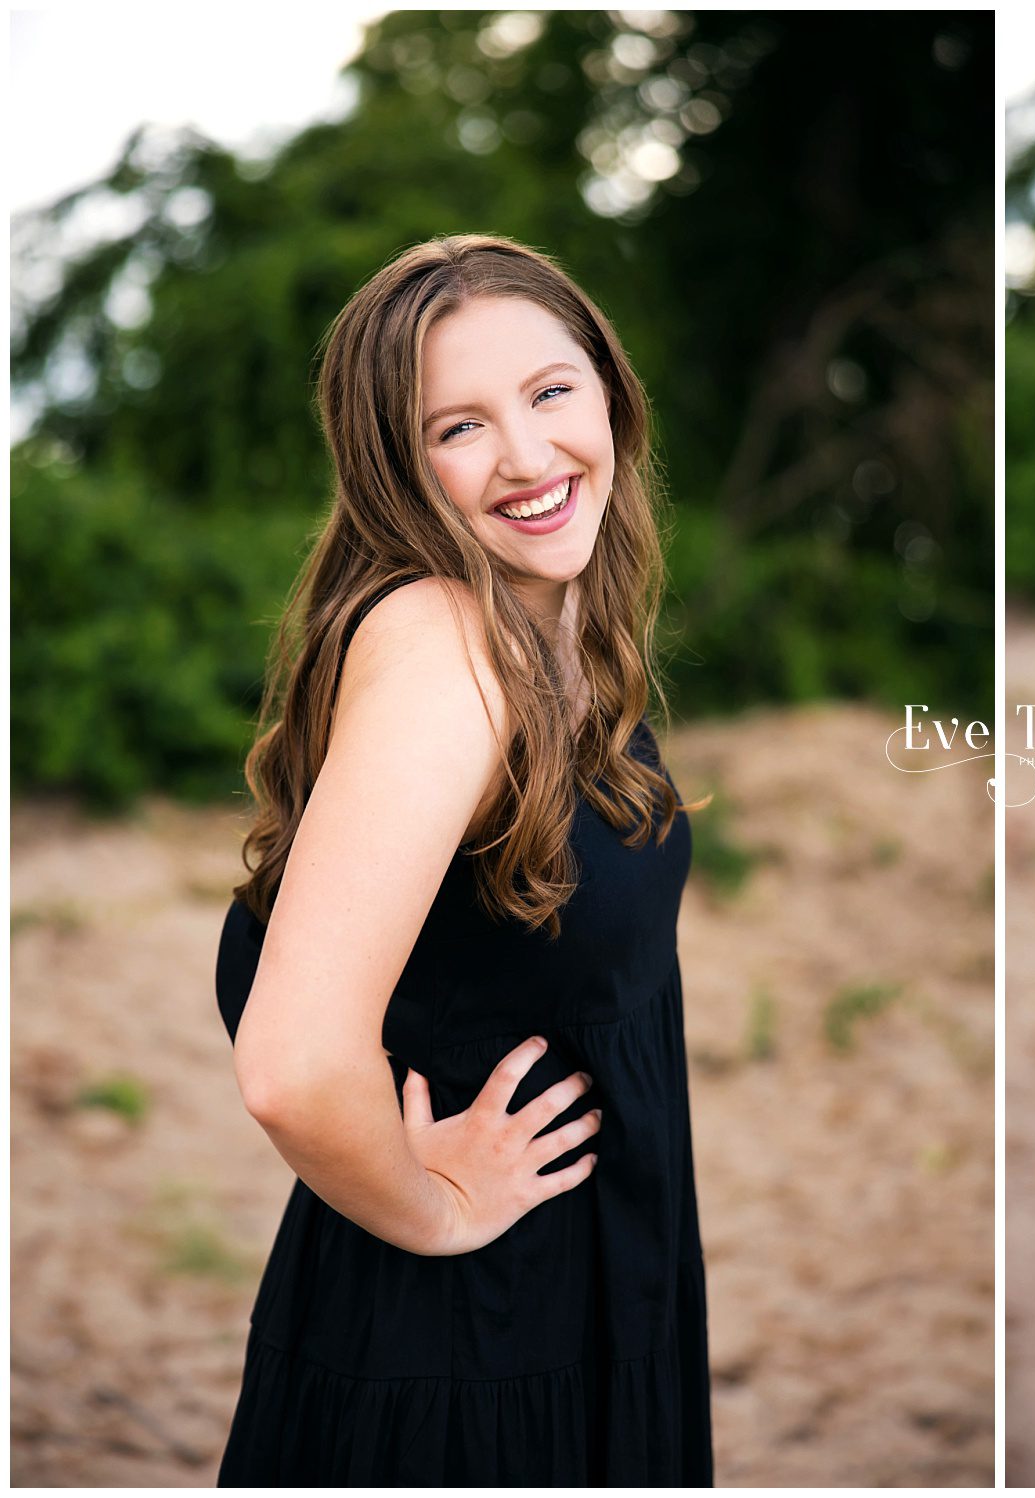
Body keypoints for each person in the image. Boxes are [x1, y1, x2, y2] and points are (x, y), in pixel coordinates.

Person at [214, 235, 711, 1485]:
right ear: (395, 466)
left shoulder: (554, 618)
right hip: (473, 1337)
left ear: (609, 391)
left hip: (585, 1288)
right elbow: (291, 1064)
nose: (529, 456)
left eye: (550, 392)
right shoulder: (447, 645)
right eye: (460, 427)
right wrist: (435, 1209)